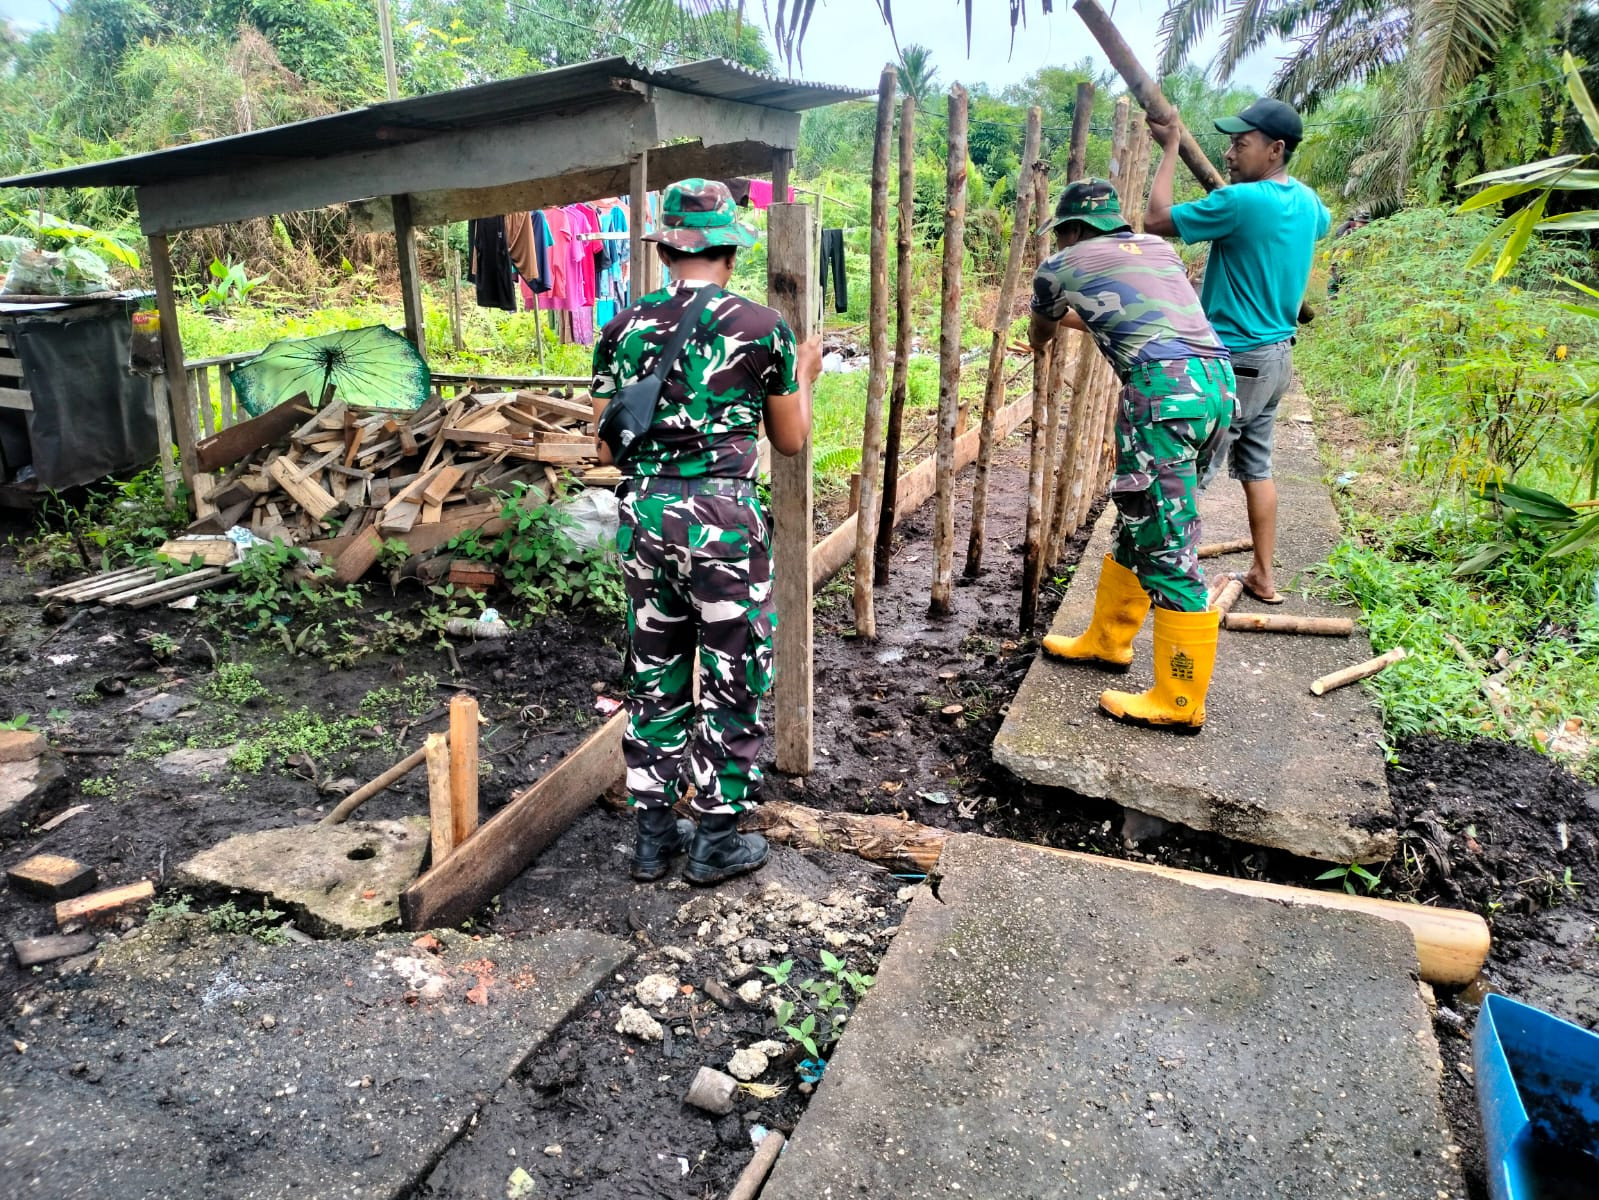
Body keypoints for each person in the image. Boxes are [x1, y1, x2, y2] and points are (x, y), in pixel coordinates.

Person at [591, 178, 822, 884]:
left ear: (663, 247)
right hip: (721, 521)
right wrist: (803, 375)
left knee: (655, 672)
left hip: (645, 515)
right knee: (733, 671)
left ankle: (652, 838)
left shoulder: (622, 327)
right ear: (730, 249)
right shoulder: (763, 328)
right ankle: (714, 840)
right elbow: (789, 441)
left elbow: (606, 447)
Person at [1029, 179, 1236, 733]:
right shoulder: (1157, 248)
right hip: (1216, 382)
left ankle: (1180, 698)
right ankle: (1108, 640)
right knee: (1140, 512)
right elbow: (1132, 311)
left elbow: (1044, 329)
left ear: (1071, 229)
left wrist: (1040, 342)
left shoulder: (1061, 263)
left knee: (1169, 543)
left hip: (1163, 392)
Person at [1144, 98, 1331, 605]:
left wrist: (1172, 147)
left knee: (1189, 474)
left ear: (1275, 149)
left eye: (1240, 144)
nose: (1229, 154)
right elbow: (1322, 226)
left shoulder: (1244, 203)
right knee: (1258, 467)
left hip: (1234, 361)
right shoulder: (1310, 203)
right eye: (1228, 144)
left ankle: (1172, 592)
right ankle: (1264, 576)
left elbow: (1155, 218)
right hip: (1276, 360)